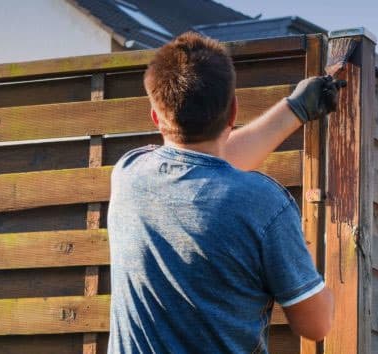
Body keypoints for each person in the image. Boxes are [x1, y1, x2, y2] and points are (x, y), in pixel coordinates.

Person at [107, 32, 342, 354]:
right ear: (233, 111)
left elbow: (200, 169)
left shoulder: (129, 173)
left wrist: (296, 110)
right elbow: (316, 325)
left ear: (155, 118)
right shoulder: (263, 204)